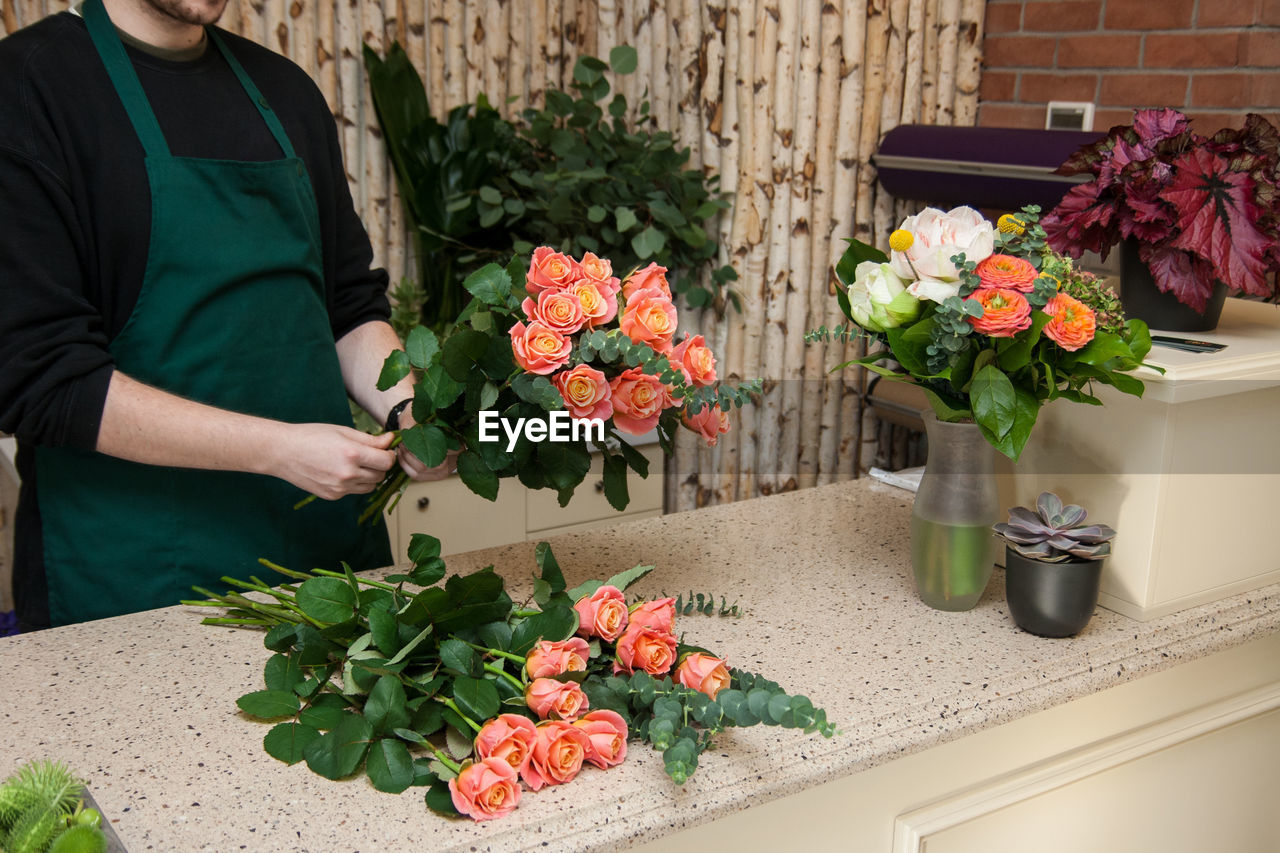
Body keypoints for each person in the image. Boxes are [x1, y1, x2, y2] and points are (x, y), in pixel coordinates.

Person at [0, 0, 439, 631]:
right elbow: (43, 380)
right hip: (133, 581)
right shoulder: (28, 87)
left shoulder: (285, 92)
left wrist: (409, 412)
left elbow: (346, 306)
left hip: (326, 564)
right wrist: (279, 450)